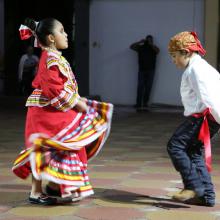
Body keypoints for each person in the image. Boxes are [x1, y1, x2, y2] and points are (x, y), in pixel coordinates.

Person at [12, 18, 113, 205]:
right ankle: (40, 191)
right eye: (62, 31)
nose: (66, 35)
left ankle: (56, 185)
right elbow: (53, 89)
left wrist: (76, 98)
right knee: (56, 146)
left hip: (52, 110)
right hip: (45, 113)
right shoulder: (49, 59)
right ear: (51, 38)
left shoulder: (54, 57)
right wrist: (76, 102)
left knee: (60, 146)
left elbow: (61, 86)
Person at [167, 31, 220, 207]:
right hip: (208, 117)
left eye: (175, 56)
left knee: (175, 145)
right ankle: (207, 196)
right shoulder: (200, 67)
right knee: (194, 152)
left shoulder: (195, 70)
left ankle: (192, 185)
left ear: (187, 52)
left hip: (203, 117)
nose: (173, 60)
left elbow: (210, 98)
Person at [130, 35, 159, 109]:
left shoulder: (153, 48)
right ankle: (138, 103)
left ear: (152, 41)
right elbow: (131, 47)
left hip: (151, 70)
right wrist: (139, 42)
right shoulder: (141, 47)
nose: (149, 41)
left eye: (150, 40)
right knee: (140, 87)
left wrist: (151, 44)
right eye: (148, 40)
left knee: (148, 87)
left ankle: (145, 103)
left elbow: (157, 51)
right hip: (142, 70)